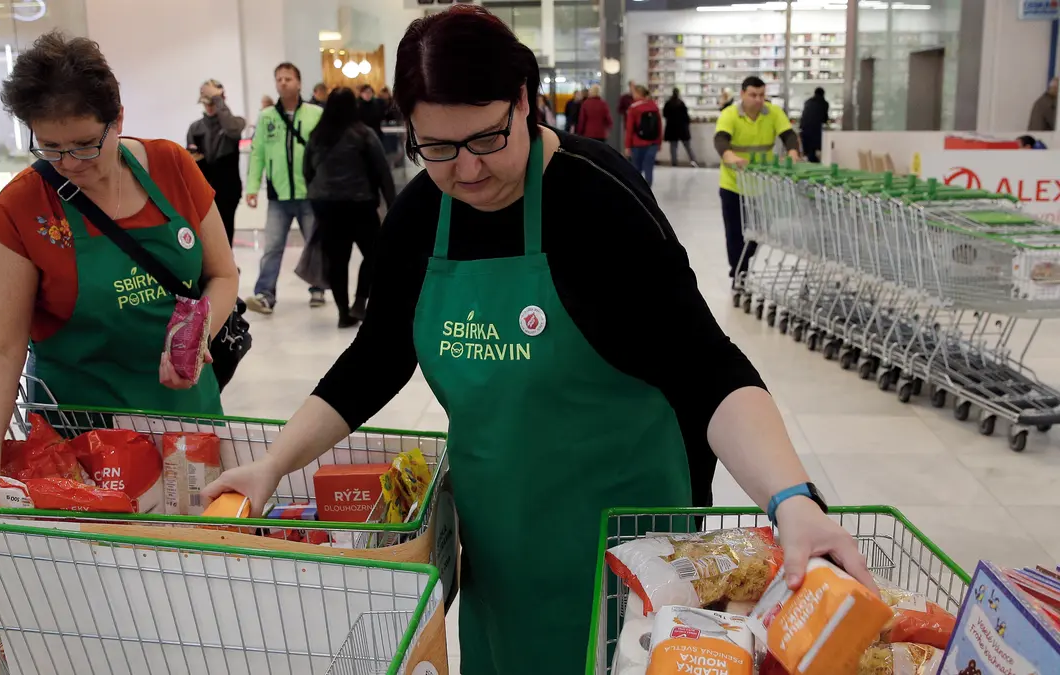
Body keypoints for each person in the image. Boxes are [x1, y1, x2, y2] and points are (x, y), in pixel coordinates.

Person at [204, 7, 874, 674]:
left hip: (631, 552)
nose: (465, 171)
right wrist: (273, 464)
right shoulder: (418, 218)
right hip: (502, 546)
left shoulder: (598, 200)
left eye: (487, 139)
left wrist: (792, 499)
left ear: (524, 101)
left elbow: (706, 367)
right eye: (436, 146)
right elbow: (376, 358)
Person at [0, 31, 237, 473]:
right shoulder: (21, 207)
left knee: (198, 534)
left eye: (85, 144)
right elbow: (0, 346)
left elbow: (223, 275)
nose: (70, 163)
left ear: (117, 119)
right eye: (51, 148)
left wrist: (195, 339)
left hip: (186, 420)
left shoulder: (172, 167)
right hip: (83, 439)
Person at [304, 87, 396, 328]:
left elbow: (307, 172)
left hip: (327, 208)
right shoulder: (363, 134)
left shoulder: (317, 136)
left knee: (337, 262)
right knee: (375, 255)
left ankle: (343, 313)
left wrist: (317, 199)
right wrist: (393, 205)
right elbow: (383, 172)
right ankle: (360, 301)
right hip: (360, 206)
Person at [244, 63, 325, 315]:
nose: (283, 83)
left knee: (315, 243)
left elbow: (326, 151)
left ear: (299, 83)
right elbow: (257, 154)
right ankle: (265, 294)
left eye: (288, 78)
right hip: (278, 194)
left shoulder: (315, 114)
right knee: (273, 246)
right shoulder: (267, 116)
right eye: (278, 78)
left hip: (309, 193)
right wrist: (252, 187)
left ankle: (318, 287)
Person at [716, 76, 800, 281]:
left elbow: (788, 135)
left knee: (759, 231)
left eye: (762, 95)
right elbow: (721, 139)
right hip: (733, 184)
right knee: (735, 232)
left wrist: (793, 153)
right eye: (753, 95)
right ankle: (738, 272)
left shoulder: (773, 113)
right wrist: (729, 156)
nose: (758, 99)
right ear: (742, 94)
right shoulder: (730, 114)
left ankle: (742, 263)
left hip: (762, 186)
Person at [187, 78, 247, 245]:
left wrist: (218, 99)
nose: (209, 106)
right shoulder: (195, 128)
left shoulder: (236, 123)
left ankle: (227, 267)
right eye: (207, 102)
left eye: (213, 102)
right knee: (205, 236)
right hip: (205, 190)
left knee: (226, 231)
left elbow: (233, 131)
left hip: (228, 190)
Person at [624, 84, 661, 185]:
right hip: (652, 143)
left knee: (637, 170)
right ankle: (648, 191)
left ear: (637, 93)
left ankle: (638, 193)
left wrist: (627, 146)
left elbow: (629, 129)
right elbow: (659, 126)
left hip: (637, 143)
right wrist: (659, 143)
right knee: (649, 169)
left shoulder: (633, 108)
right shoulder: (654, 106)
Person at [662, 87, 697, 167]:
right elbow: (686, 117)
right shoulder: (681, 104)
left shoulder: (668, 104)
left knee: (673, 147)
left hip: (672, 129)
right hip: (682, 129)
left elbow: (665, 114)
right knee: (687, 146)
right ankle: (693, 161)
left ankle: (674, 163)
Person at [799, 87, 830, 163]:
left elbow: (804, 116)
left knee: (809, 152)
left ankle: (810, 163)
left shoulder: (807, 102)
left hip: (805, 130)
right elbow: (825, 119)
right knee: (814, 151)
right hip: (816, 131)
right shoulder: (824, 103)